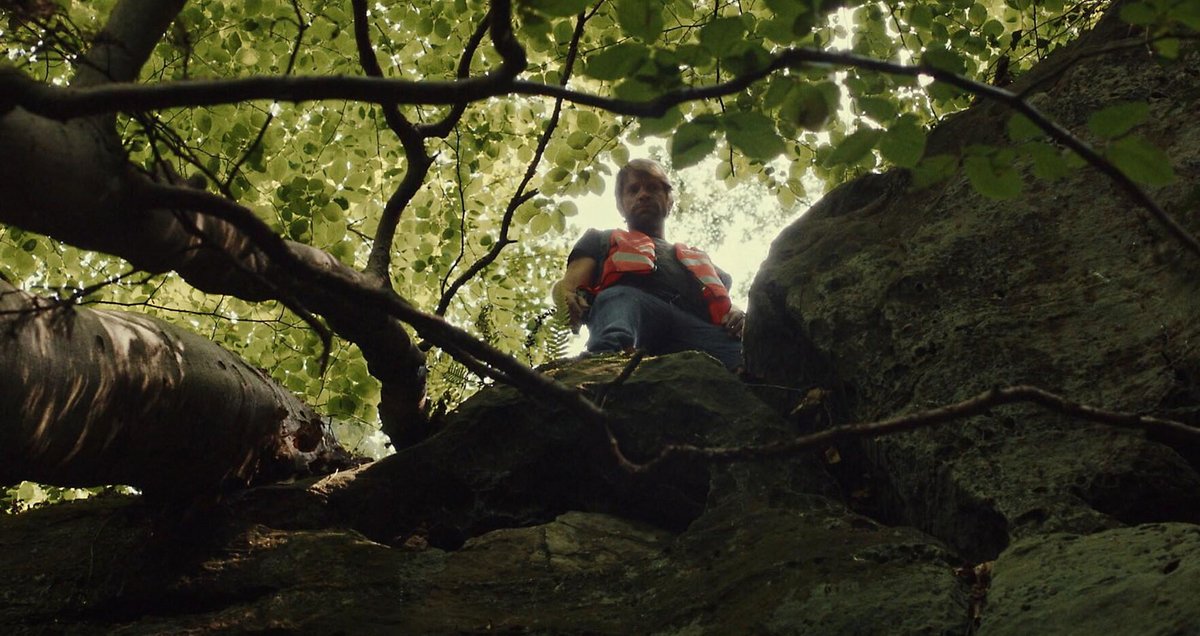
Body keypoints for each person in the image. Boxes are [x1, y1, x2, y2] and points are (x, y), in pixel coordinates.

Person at [552, 158, 746, 370]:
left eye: (653, 188)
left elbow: (723, 304)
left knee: (750, 352)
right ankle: (604, 362)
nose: (643, 195)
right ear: (620, 205)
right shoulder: (600, 240)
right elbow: (569, 286)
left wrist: (739, 316)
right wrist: (566, 298)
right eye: (633, 190)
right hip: (631, 312)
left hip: (696, 331)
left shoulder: (697, 260)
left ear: (669, 201)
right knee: (620, 297)